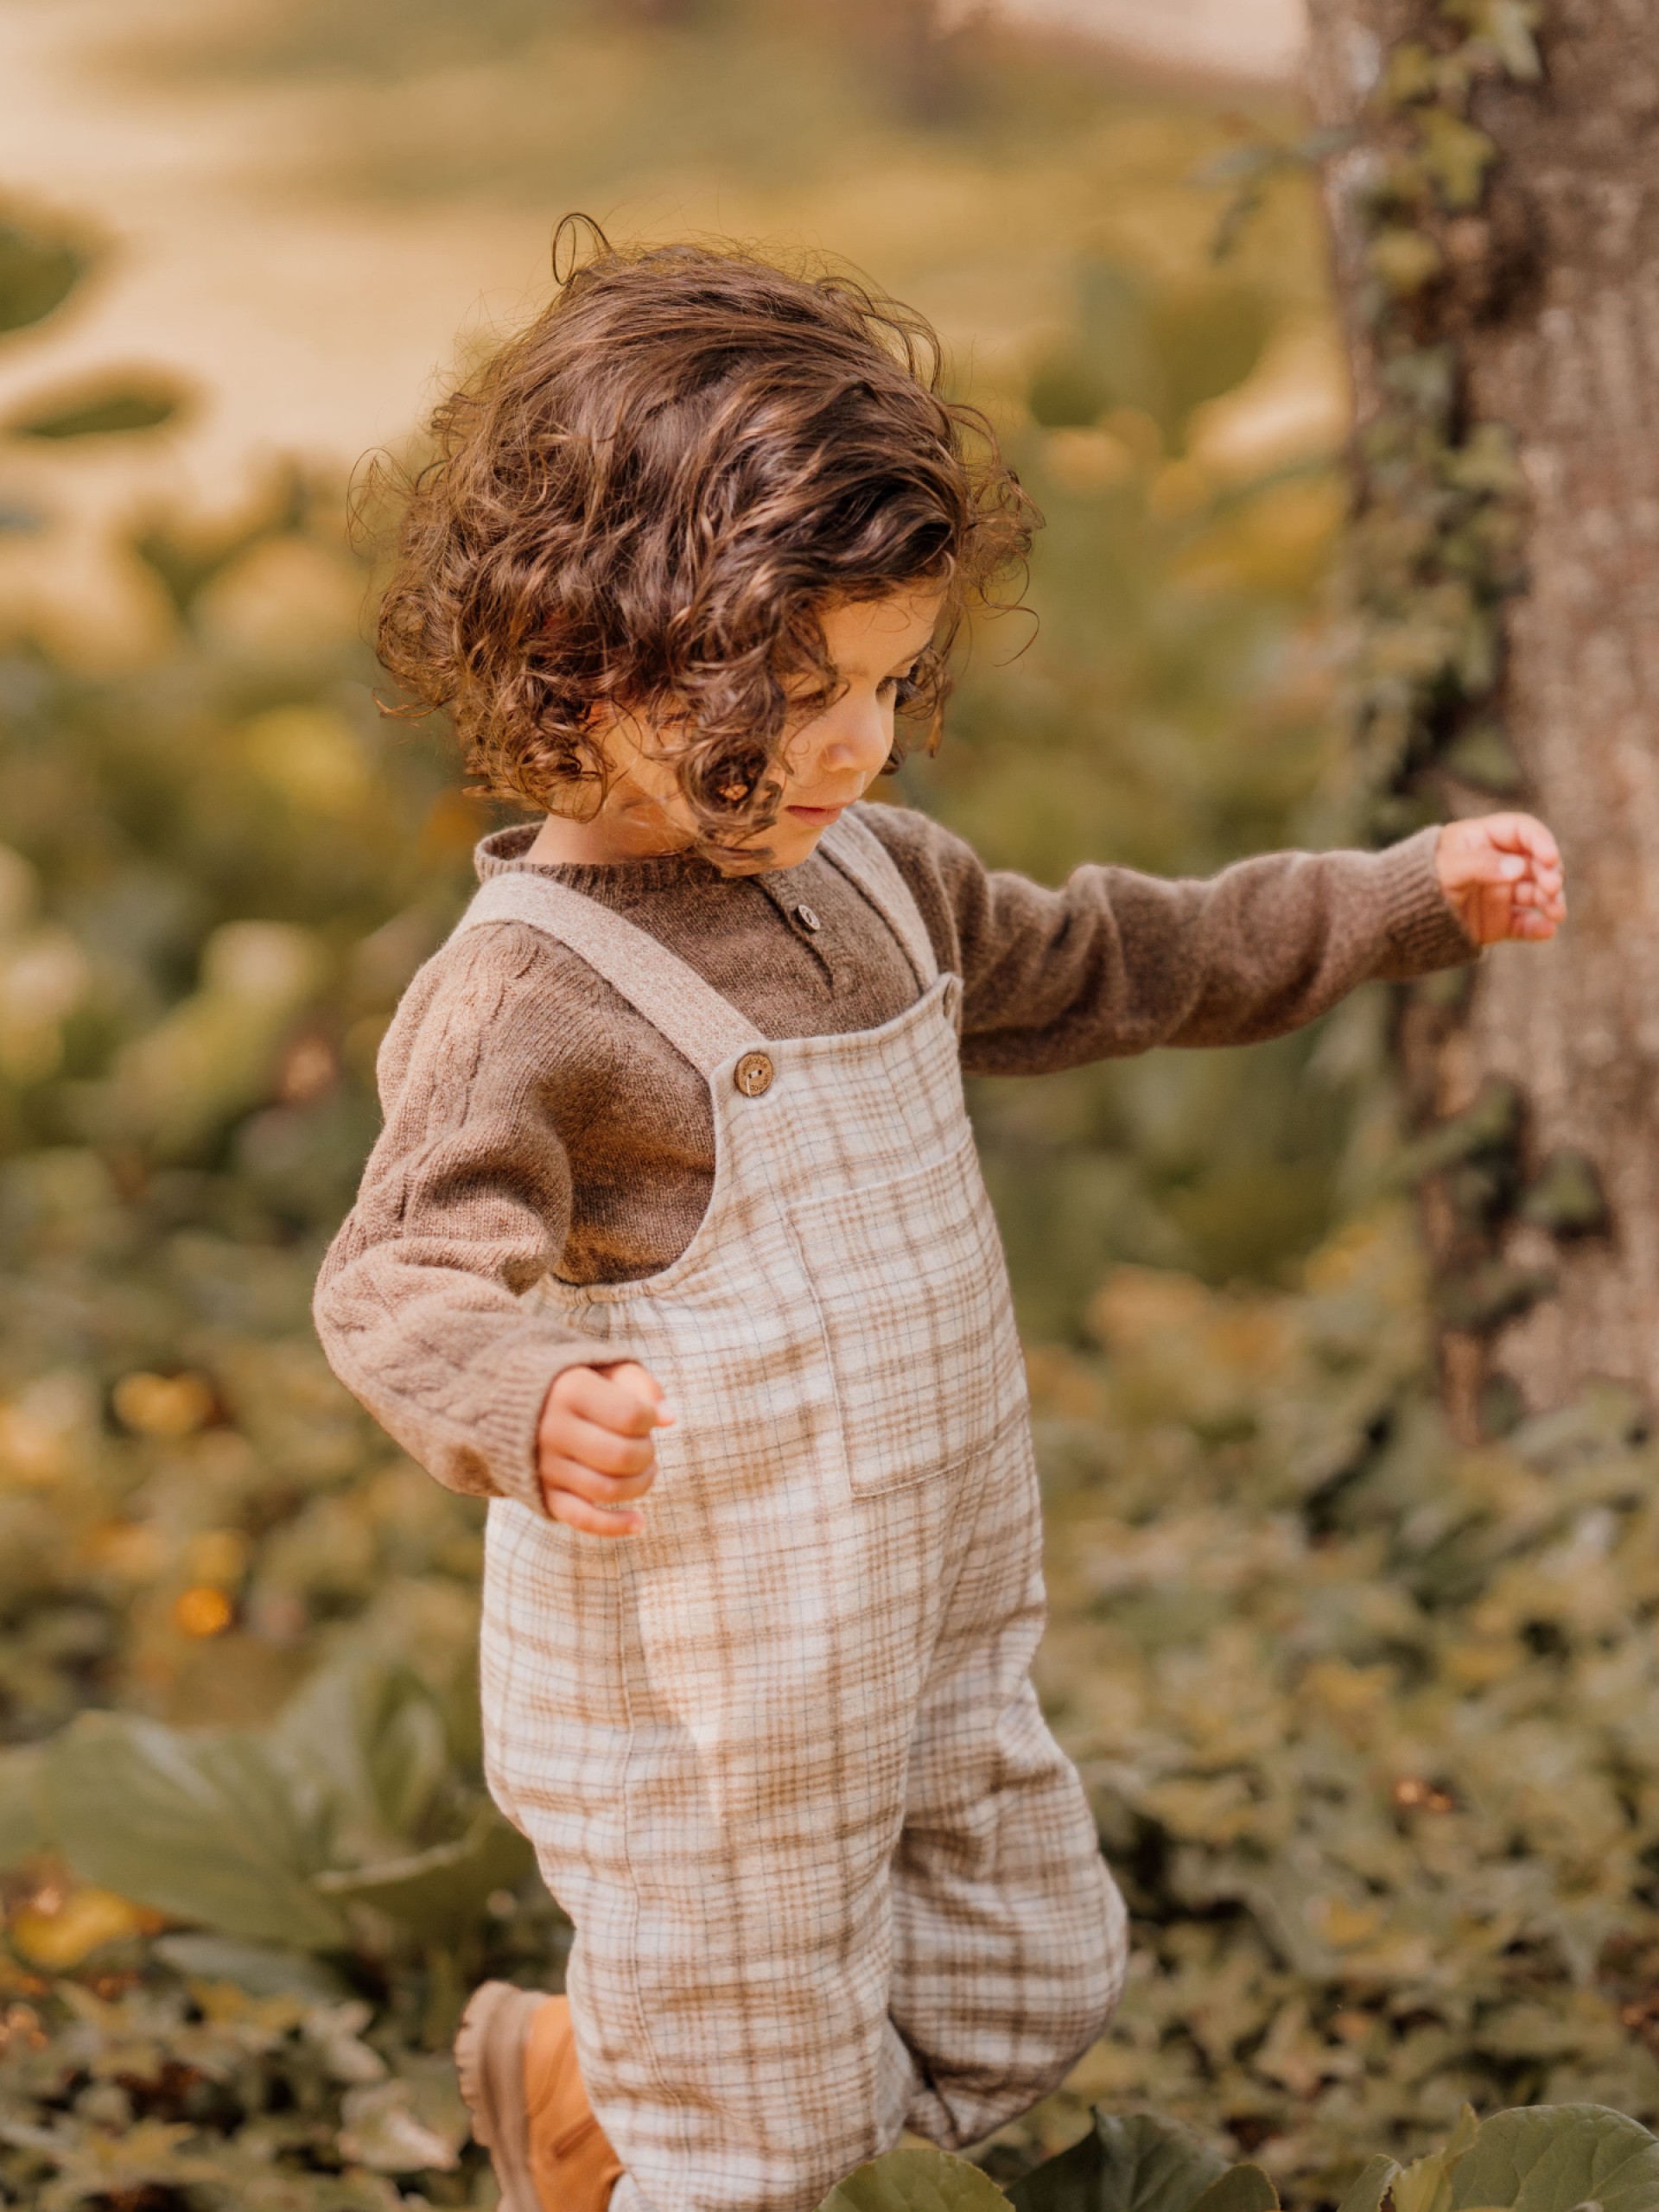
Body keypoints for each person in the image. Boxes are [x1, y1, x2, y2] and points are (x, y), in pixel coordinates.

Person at [313, 226, 1566, 2212]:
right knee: (776, 2138)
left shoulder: (879, 872)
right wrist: (526, 1393)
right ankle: (643, 2127)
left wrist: (1398, 896)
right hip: (718, 1709)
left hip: (934, 1619)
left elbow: (1123, 956)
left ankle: (579, 2078)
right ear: (583, 657)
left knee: (1022, 1986)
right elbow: (399, 1273)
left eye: (886, 685)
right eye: (794, 693)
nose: (852, 746)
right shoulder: (530, 998)